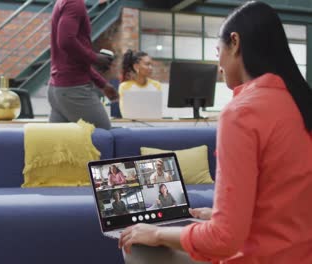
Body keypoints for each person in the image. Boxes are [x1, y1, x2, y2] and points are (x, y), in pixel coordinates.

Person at [118, 1, 312, 264]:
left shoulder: (241, 113)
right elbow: (286, 200)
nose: (218, 63)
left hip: (260, 257)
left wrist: (157, 233)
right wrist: (227, 215)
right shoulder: (299, 103)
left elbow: (223, 239)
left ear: (235, 42)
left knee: (138, 246)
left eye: (218, 51)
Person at [47, 0, 119, 130]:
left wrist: (102, 83)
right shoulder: (75, 3)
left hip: (57, 89)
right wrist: (95, 58)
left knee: (62, 147)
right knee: (103, 138)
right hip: (74, 90)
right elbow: (66, 41)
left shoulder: (63, 2)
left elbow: (73, 59)